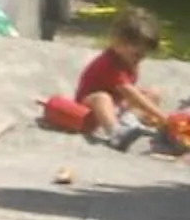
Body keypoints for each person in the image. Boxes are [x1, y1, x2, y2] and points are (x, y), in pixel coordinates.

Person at [74, 9, 180, 145]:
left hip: (116, 104)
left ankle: (130, 121)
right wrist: (162, 116)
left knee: (153, 93)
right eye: (136, 54)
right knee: (102, 98)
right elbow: (130, 93)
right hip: (90, 109)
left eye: (143, 54)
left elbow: (130, 94)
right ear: (118, 43)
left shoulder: (128, 61)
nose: (140, 58)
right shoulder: (109, 63)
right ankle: (116, 132)